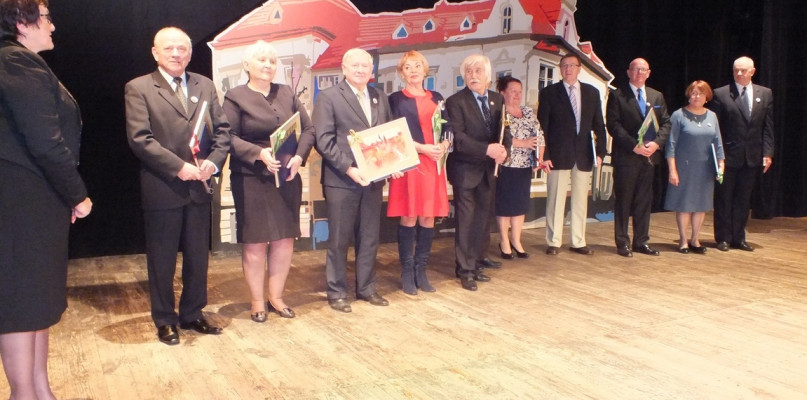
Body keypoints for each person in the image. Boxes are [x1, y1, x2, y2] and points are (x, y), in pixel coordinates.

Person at [0, 1, 93, 397]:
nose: (52, 26)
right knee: (21, 306)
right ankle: (24, 394)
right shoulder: (15, 61)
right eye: (46, 18)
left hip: (35, 200)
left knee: (37, 302)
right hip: (22, 204)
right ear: (23, 23)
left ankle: (41, 391)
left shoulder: (20, 61)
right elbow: (45, 141)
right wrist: (77, 195)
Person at [125, 27, 231, 345]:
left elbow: (222, 131)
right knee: (162, 259)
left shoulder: (205, 85)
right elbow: (140, 139)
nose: (176, 53)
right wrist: (179, 167)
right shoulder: (139, 87)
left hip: (200, 185)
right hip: (163, 186)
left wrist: (213, 162)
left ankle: (192, 314)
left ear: (190, 53)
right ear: (155, 52)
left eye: (182, 48)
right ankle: (165, 319)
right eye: (169, 48)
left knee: (198, 257)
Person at [222, 40, 315, 321]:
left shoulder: (287, 92)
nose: (268, 65)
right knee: (256, 242)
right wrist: (258, 153)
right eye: (261, 60)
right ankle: (257, 301)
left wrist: (298, 156)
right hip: (252, 178)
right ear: (247, 65)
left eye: (272, 61)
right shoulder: (235, 96)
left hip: (286, 176)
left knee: (284, 239)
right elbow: (227, 137)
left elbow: (309, 129)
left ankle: (276, 297)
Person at [313, 48, 393, 312]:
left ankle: (367, 288)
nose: (360, 70)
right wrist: (349, 169)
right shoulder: (329, 97)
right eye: (355, 65)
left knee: (369, 237)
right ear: (344, 69)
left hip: (373, 179)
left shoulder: (380, 97)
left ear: (372, 71)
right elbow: (323, 141)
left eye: (365, 66)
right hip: (342, 179)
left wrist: (393, 163)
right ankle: (337, 292)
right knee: (339, 240)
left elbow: (387, 135)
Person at [387, 51, 451, 295]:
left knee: (428, 217)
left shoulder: (437, 98)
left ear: (425, 70)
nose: (413, 71)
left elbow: (448, 127)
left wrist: (444, 145)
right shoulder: (395, 100)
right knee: (409, 216)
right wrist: (422, 148)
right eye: (407, 67)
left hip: (433, 165)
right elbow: (394, 133)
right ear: (401, 73)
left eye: (417, 66)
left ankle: (421, 271)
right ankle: (407, 272)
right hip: (409, 164)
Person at [445, 54, 507, 291]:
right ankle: (465, 271)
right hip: (465, 171)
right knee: (466, 222)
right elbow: (458, 138)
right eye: (469, 72)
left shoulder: (497, 100)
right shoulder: (455, 102)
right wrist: (487, 150)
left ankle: (476, 262)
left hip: (489, 171)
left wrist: (504, 151)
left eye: (478, 71)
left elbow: (504, 131)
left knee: (481, 221)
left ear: (487, 76)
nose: (473, 75)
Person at [537, 54, 606, 256]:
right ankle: (554, 241)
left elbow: (599, 125)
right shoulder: (549, 93)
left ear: (579, 68)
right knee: (555, 199)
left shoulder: (592, 92)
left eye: (572, 65)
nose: (568, 69)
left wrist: (600, 152)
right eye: (564, 65)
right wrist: (545, 154)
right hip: (557, 155)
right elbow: (543, 127)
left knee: (580, 201)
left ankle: (578, 241)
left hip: (584, 154)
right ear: (560, 69)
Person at [606, 58, 671, 257]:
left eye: (643, 70)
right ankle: (622, 242)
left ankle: (641, 242)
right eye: (635, 69)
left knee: (644, 202)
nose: (639, 73)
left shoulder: (656, 96)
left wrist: (657, 144)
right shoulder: (617, 95)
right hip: (627, 157)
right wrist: (634, 146)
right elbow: (613, 125)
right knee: (623, 202)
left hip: (649, 158)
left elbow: (666, 123)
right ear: (628, 72)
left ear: (649, 73)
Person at [708, 56, 774, 252]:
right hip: (728, 156)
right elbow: (716, 128)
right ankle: (723, 238)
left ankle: (739, 237)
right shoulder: (721, 94)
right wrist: (718, 155)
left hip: (752, 155)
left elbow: (768, 127)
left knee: (743, 199)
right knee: (724, 198)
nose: (739, 73)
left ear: (752, 71)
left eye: (743, 70)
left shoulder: (765, 93)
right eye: (736, 70)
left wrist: (768, 152)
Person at [664, 81, 725, 254]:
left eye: (700, 93)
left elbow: (718, 143)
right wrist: (672, 170)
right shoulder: (679, 115)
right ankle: (683, 240)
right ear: (688, 95)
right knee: (684, 205)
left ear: (707, 97)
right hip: (684, 168)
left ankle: (695, 239)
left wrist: (721, 165)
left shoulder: (712, 116)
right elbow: (671, 145)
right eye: (693, 93)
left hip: (705, 168)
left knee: (701, 205)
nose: (697, 97)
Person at [494, 76, 545, 260]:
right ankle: (504, 241)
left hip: (525, 166)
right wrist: (523, 143)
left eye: (519, 91)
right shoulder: (499, 112)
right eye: (513, 91)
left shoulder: (528, 112)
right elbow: (499, 137)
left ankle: (516, 240)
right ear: (503, 93)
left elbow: (539, 135)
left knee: (520, 205)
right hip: (506, 165)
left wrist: (539, 157)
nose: (517, 95)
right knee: (505, 205)